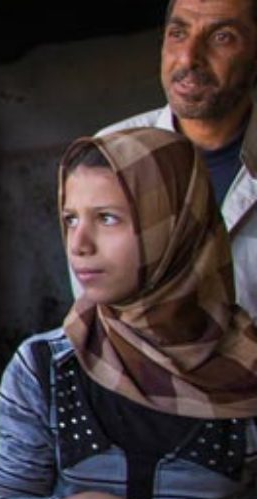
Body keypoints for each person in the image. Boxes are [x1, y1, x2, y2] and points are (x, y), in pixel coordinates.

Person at [0, 128, 257, 499]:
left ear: (175, 225)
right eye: (70, 218)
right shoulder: (45, 366)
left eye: (107, 218)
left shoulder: (247, 371)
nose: (78, 244)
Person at [99, 0, 257, 315]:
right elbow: (98, 314)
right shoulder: (109, 157)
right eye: (178, 33)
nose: (188, 56)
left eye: (222, 37)